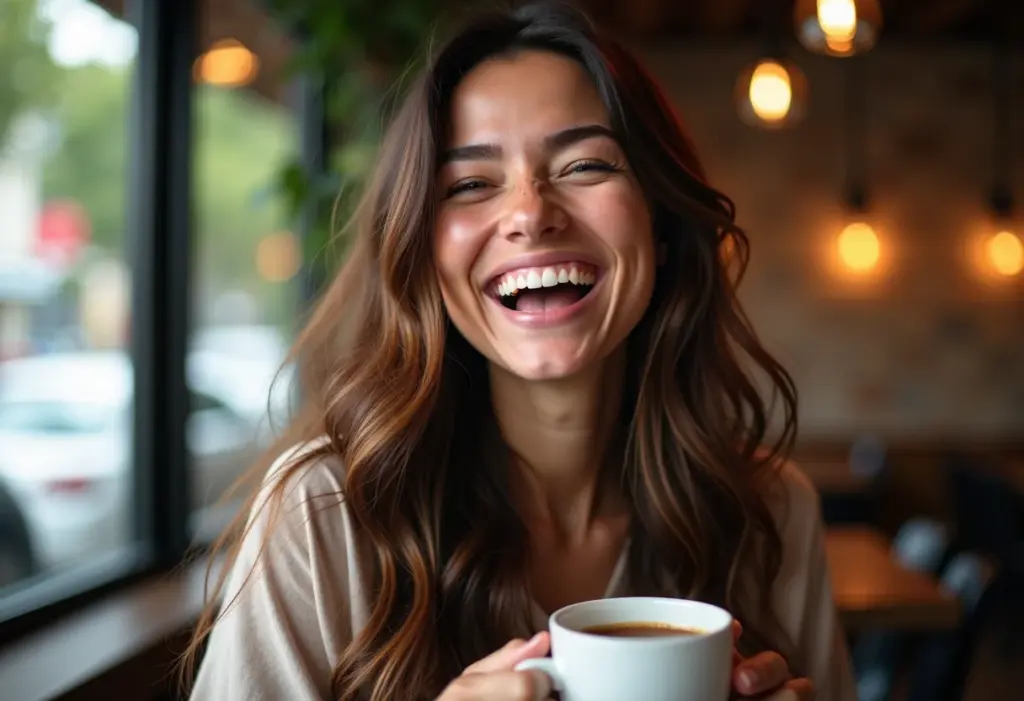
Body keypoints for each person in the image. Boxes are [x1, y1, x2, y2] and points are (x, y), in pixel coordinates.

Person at [184, 3, 856, 700]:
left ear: (660, 224)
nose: (531, 213)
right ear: (422, 250)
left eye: (585, 164)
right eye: (471, 184)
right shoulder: (328, 513)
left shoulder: (771, 509)